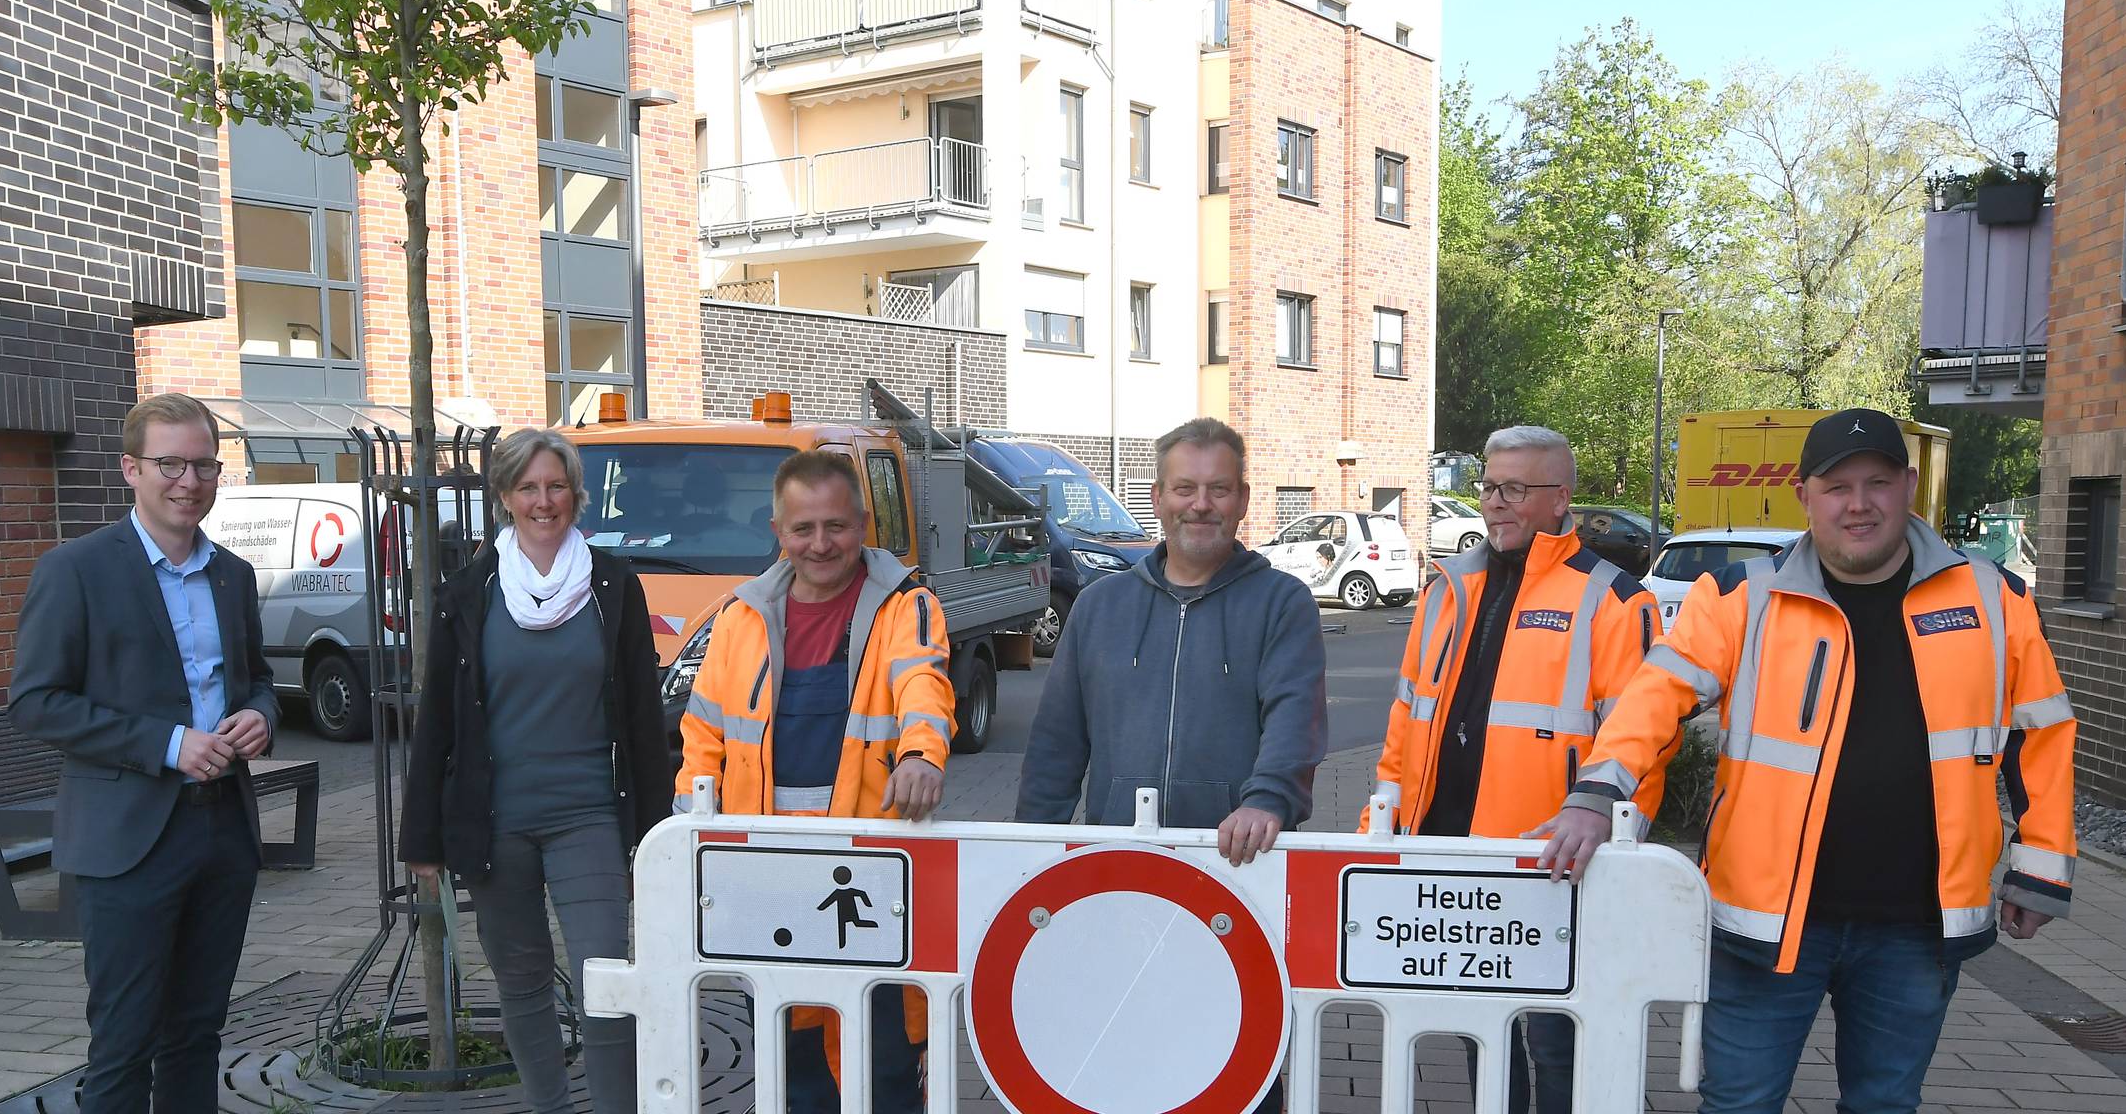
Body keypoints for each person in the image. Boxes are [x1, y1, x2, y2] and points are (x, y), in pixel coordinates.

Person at [1530, 408, 2078, 1113]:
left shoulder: (1992, 598)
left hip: (1917, 927)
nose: (1858, 504)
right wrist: (1597, 792)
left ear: (1907, 485)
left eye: (1877, 483)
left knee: (1884, 1105)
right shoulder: (1740, 596)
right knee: (1739, 1105)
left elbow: (2043, 734)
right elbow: (1653, 699)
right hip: (1765, 925)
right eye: (1836, 487)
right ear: (1805, 496)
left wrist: (2040, 869)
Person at [1015, 417, 1327, 1113]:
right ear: (1156, 497)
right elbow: (1058, 743)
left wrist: (1267, 800)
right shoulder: (1099, 606)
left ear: (1244, 500)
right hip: (1116, 879)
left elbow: (1295, 719)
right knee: (1119, 1051)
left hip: (1237, 879)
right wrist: (1028, 849)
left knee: (1242, 1061)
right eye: (1185, 488)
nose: (1201, 504)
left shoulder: (1283, 604)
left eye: (1218, 489)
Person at [1364, 425, 1667, 1114]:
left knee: (1559, 1041)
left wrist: (1617, 846)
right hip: (1451, 853)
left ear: (1560, 498)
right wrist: (1378, 822)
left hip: (1555, 862)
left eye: (1515, 490)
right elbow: (1404, 720)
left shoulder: (1614, 599)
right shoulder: (1449, 587)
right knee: (1478, 1033)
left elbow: (1645, 740)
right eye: (1489, 486)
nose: (1496, 503)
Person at [6, 393, 280, 1113]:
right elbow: (36, 701)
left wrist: (260, 715)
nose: (189, 481)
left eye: (203, 465)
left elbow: (257, 682)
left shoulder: (232, 574)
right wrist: (166, 744)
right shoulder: (78, 570)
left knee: (197, 1033)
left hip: (222, 832)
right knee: (124, 1043)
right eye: (170, 464)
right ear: (130, 469)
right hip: (127, 841)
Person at [398, 428, 672, 1114]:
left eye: (556, 486)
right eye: (527, 487)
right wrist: (423, 841)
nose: (543, 501)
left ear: (576, 495)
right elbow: (438, 722)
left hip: (589, 816)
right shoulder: (468, 592)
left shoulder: (614, 585)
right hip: (496, 823)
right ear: (504, 498)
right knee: (520, 983)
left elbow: (643, 715)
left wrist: (656, 835)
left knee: (606, 983)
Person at [675, 449, 954, 1113]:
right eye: (804, 529)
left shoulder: (904, 608)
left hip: (872, 875)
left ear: (863, 523)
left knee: (883, 1058)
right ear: (779, 531)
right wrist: (689, 836)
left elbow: (922, 682)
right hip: (766, 876)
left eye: (836, 526)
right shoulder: (740, 619)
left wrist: (921, 754)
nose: (821, 544)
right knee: (792, 1063)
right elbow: (704, 733)